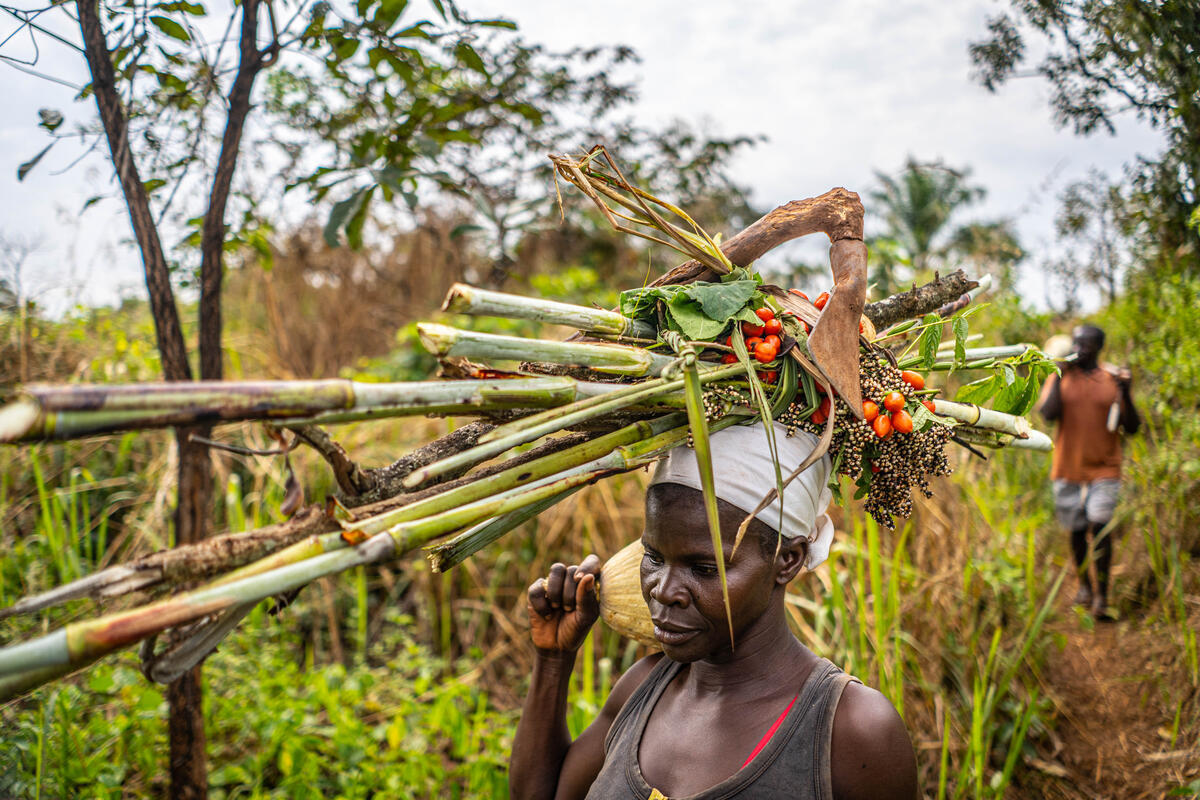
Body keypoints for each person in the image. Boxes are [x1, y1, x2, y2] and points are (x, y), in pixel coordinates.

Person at [508, 424, 919, 800]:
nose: (663, 591)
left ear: (788, 560)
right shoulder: (644, 689)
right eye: (653, 556)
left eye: (705, 569)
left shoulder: (850, 732)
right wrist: (553, 658)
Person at [1037, 324, 1140, 619]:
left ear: (1099, 347)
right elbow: (1047, 415)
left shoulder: (1111, 379)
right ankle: (1084, 585)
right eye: (1076, 343)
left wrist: (1127, 393)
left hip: (1105, 469)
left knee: (1100, 525)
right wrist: (1058, 372)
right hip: (1067, 468)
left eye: (1086, 345)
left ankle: (1102, 598)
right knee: (1078, 530)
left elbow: (1131, 427)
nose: (1079, 349)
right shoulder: (1060, 376)